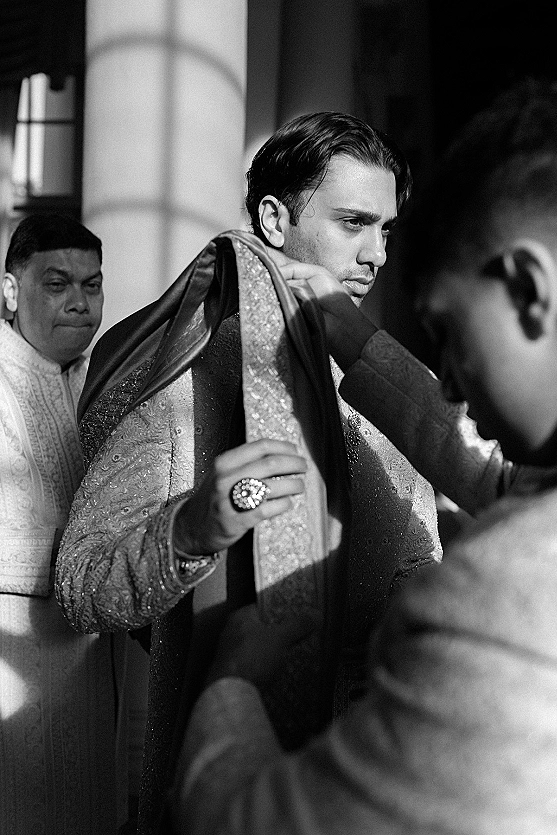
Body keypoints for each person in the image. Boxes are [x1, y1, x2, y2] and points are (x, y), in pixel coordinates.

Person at [56, 113, 523, 834]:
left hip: (401, 777)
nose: (375, 255)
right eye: (354, 223)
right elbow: (82, 586)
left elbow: (467, 499)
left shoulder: (381, 383)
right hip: (246, 778)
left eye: (387, 230)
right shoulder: (188, 390)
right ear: (274, 218)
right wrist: (191, 526)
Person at [170, 77, 557, 834]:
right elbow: (494, 472)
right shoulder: (197, 375)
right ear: (272, 219)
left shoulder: (502, 594)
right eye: (354, 222)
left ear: (528, 288)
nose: (449, 382)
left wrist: (230, 680)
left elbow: (257, 820)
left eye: (448, 332)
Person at [0, 213, 123, 834]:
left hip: (91, 663)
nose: (80, 302)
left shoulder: (102, 382)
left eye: (92, 284)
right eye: (57, 284)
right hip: (10, 663)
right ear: (11, 290)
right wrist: (106, 562)